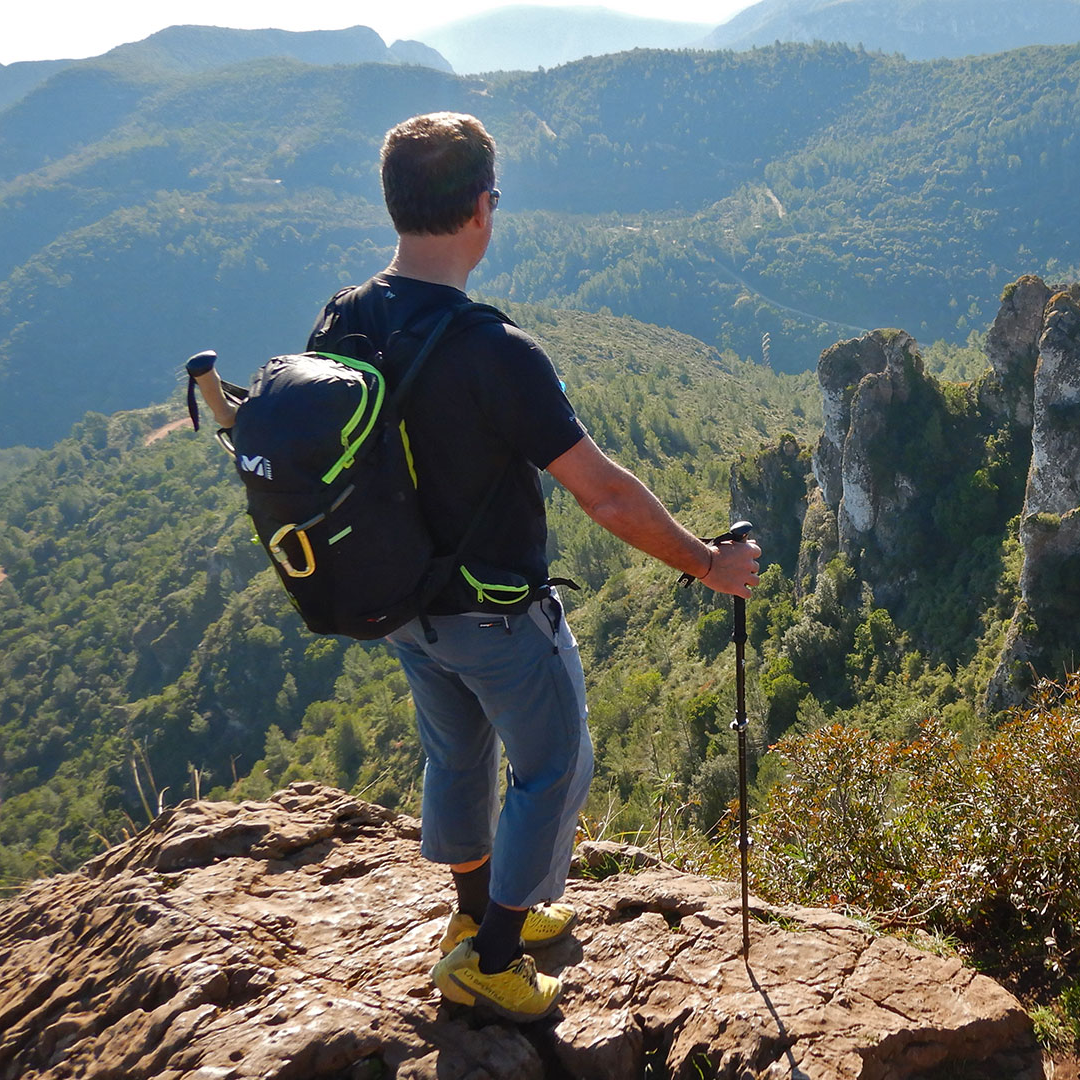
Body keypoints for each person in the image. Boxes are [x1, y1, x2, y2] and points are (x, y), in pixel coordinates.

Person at [308, 112, 760, 1022]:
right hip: (497, 617)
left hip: (401, 606)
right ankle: (496, 954)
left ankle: (469, 918)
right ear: (481, 207)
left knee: (456, 757)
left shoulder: (343, 318)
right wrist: (710, 564)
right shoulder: (495, 352)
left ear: (398, 204)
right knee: (554, 766)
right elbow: (607, 496)